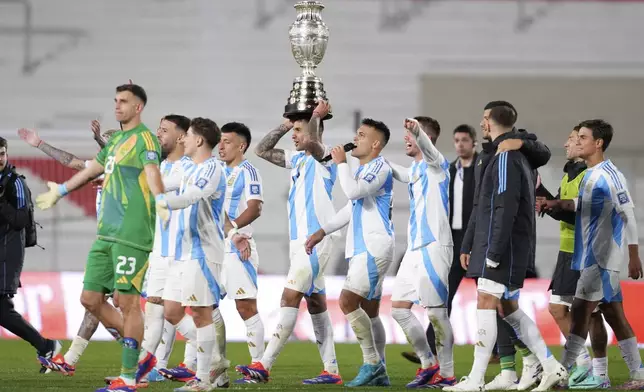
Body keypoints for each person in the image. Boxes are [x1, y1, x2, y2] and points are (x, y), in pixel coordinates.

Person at [35, 83, 167, 392]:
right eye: (116, 100)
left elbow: (151, 170)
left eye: (124, 101)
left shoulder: (145, 138)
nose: (117, 106)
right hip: (105, 234)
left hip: (131, 234)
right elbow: (91, 168)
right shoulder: (117, 140)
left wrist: (160, 198)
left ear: (139, 107)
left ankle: (130, 376)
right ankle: (144, 354)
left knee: (129, 304)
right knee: (90, 299)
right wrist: (62, 191)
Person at [446, 101, 566, 392]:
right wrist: (471, 243)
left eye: (483, 119)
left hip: (501, 246)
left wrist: (494, 251)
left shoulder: (506, 156)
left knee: (487, 303)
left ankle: (475, 380)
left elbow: (505, 206)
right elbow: (482, 205)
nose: (482, 124)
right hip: (496, 243)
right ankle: (550, 367)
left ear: (488, 121)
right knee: (509, 308)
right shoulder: (501, 154)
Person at [236, 101, 341, 385]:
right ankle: (331, 370)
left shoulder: (325, 157)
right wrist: (285, 124)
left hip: (314, 241)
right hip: (301, 243)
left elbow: (313, 143)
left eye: (298, 130)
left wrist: (316, 117)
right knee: (317, 304)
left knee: (289, 297)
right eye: (292, 130)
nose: (294, 135)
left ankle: (263, 364)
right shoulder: (297, 160)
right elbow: (261, 150)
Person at [541, 119, 644, 390]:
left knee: (582, 313)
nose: (577, 141)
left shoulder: (610, 174)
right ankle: (628, 374)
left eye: (583, 137)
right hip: (590, 256)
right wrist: (553, 202)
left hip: (603, 257)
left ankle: (565, 372)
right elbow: (580, 204)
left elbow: (628, 214)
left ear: (598, 143)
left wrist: (634, 255)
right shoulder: (588, 174)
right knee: (611, 315)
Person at [18, 126, 127, 377]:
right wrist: (40, 144)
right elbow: (71, 161)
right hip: (108, 245)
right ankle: (73, 360)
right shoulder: (106, 169)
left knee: (143, 305)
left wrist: (104, 139)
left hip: (125, 245)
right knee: (96, 303)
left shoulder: (127, 171)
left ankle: (147, 355)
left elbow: (115, 156)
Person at [155, 117, 243, 391]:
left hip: (203, 251)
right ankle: (215, 358)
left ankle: (203, 379)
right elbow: (163, 183)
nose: (183, 139)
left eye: (188, 135)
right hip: (183, 251)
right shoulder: (188, 169)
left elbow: (191, 196)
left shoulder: (212, 169)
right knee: (171, 310)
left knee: (202, 313)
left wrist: (161, 202)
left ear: (199, 140)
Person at [305, 118, 394, 387]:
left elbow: (353, 192)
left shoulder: (379, 167)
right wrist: (323, 231)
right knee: (370, 310)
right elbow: (351, 208)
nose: (356, 139)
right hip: (366, 246)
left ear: (375, 144)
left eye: (362, 135)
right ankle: (381, 370)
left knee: (346, 301)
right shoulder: (367, 169)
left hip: (372, 247)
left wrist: (342, 162)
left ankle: (372, 363)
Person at [535, 126, 610, 389]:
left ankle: (594, 372)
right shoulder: (570, 175)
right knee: (570, 310)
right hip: (568, 251)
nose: (567, 144)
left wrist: (551, 204)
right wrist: (541, 192)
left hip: (586, 251)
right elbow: (563, 208)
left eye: (573, 139)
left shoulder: (589, 176)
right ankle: (588, 368)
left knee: (590, 314)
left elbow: (581, 213)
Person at [386, 117, 456, 388]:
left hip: (435, 247)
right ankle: (428, 364)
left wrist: (417, 131)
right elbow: (397, 172)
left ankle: (448, 375)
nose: (406, 139)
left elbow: (429, 151)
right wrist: (372, 156)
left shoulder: (438, 166)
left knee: (437, 314)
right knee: (398, 309)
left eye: (410, 135)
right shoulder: (415, 170)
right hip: (414, 250)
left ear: (424, 138)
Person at [404, 124, 479, 364]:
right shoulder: (451, 169)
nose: (460, 144)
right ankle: (431, 348)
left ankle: (501, 348)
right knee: (444, 296)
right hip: (454, 239)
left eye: (464, 140)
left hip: (477, 239)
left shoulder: (481, 168)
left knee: (492, 297)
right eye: (456, 140)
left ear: (473, 143)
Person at [0, 136, 62, 369]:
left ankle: (46, 345)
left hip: (7, 254)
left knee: (2, 311)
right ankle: (46, 346)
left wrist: (1, 204)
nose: (0, 158)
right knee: (2, 311)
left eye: (2, 153)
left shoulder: (14, 182)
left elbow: (22, 220)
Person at [217, 122, 266, 365]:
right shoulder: (214, 169)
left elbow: (255, 207)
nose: (221, 146)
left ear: (241, 145)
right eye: (220, 141)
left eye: (227, 141)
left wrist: (233, 230)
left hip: (238, 248)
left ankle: (258, 364)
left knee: (245, 306)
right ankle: (209, 364)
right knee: (201, 306)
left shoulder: (248, 171)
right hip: (211, 248)